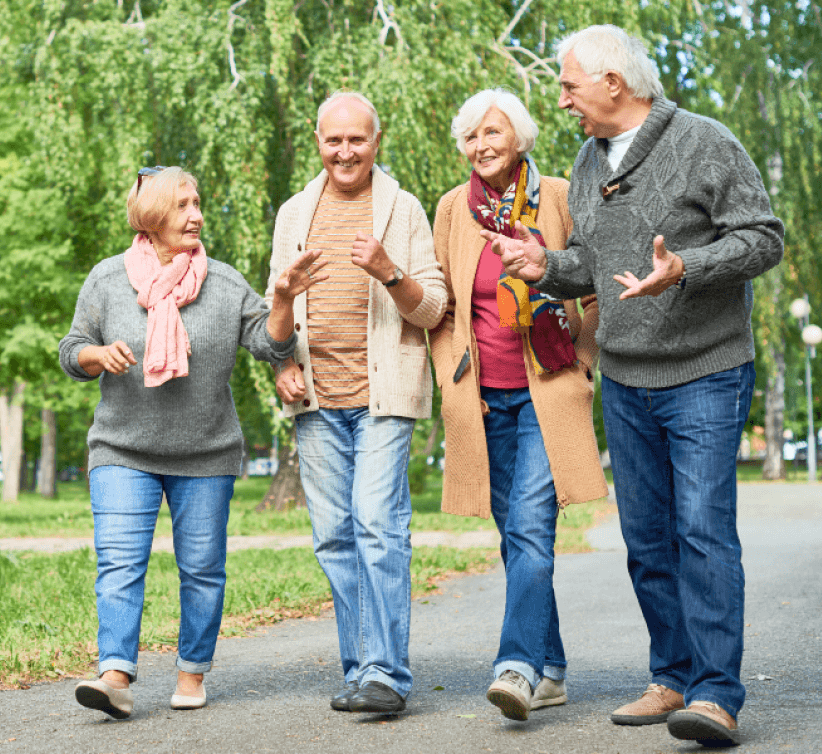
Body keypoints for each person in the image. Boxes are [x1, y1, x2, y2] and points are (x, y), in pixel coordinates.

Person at [487, 25, 784, 746]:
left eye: (568, 85)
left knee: (703, 532)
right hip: (625, 377)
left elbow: (764, 238)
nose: (561, 101)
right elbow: (593, 262)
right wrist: (544, 267)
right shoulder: (589, 161)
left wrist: (685, 267)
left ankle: (716, 694)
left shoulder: (705, 142)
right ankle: (673, 675)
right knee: (647, 538)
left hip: (705, 371)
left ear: (613, 83)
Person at [59, 166, 325, 719]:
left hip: (206, 453)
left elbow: (271, 346)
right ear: (152, 216)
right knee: (119, 563)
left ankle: (191, 671)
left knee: (202, 568)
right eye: (183, 205)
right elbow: (71, 349)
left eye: (197, 202)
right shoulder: (108, 279)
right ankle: (115, 676)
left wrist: (280, 299)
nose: (197, 214)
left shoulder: (223, 283)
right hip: (121, 449)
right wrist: (97, 355)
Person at [264, 91, 447, 714]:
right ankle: (361, 668)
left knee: (377, 523)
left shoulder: (402, 210)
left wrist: (390, 271)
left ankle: (387, 675)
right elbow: (275, 317)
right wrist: (283, 360)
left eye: (357, 140)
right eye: (333, 140)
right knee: (334, 538)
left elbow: (434, 309)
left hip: (384, 394)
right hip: (316, 398)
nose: (345, 152)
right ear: (318, 141)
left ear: (377, 140)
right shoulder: (294, 214)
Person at [429, 88, 608, 722]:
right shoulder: (453, 209)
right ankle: (552, 665)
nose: (481, 145)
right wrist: (455, 382)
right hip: (484, 397)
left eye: (492, 132)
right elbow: (446, 305)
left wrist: (583, 360)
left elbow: (593, 282)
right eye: (471, 135)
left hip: (547, 388)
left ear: (520, 137)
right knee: (515, 539)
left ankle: (517, 666)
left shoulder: (557, 196)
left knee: (531, 529)